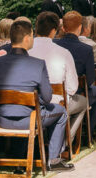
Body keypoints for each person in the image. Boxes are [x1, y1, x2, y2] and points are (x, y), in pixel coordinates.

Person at [0, 18, 73, 171]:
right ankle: (53, 160)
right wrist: (36, 99)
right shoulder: (37, 64)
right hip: (29, 120)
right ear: (27, 38)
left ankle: (20, 161)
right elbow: (47, 98)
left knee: (26, 110)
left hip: (2, 119)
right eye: (32, 35)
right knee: (62, 112)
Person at [29, 11, 88, 142]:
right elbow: (72, 88)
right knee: (83, 102)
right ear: (54, 31)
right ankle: (66, 142)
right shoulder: (63, 53)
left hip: (27, 102)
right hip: (56, 102)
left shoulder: (26, 50)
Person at [54, 11, 96, 133]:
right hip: (75, 92)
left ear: (63, 28)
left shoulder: (54, 44)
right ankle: (89, 132)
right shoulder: (86, 49)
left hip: (54, 90)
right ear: (80, 28)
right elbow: (90, 80)